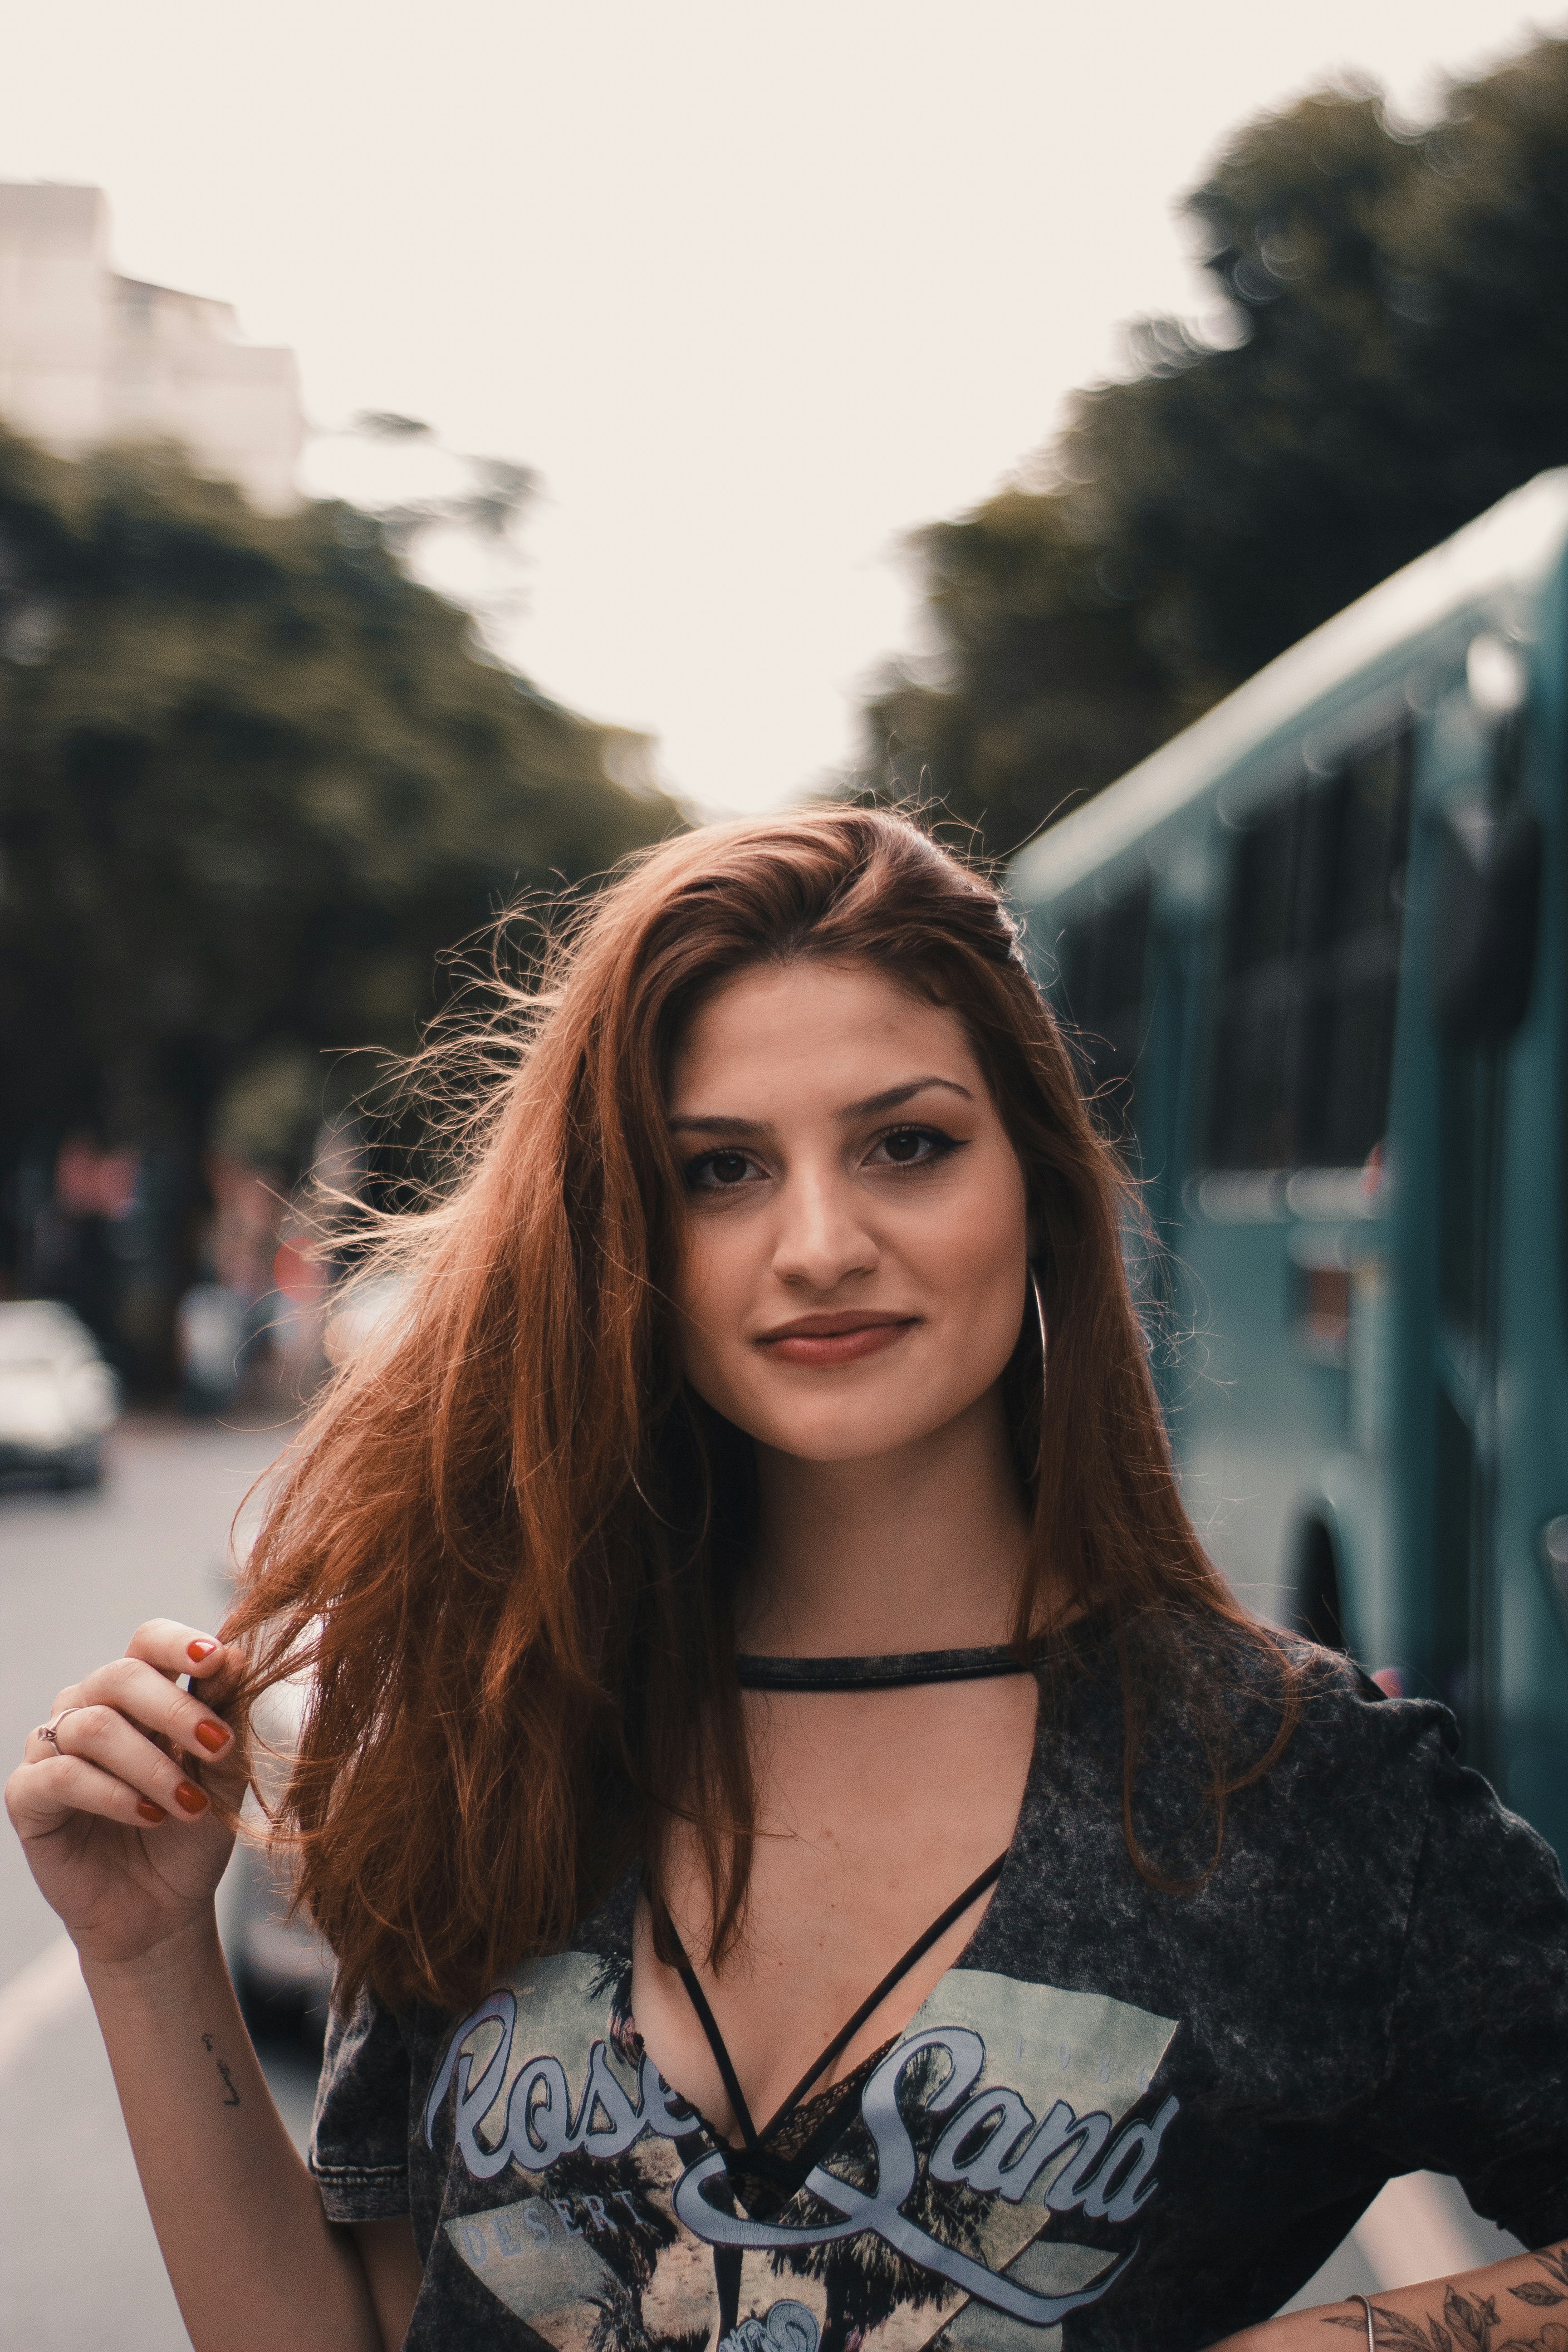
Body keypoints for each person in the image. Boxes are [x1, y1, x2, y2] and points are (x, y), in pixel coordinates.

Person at [9, 810, 1568, 2352]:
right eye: (721, 1170)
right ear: (626, 1236)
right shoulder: (505, 1727)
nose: (819, 1243)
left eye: (908, 1145)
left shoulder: (1295, 1793)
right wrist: (146, 1959)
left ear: (1031, 1178)